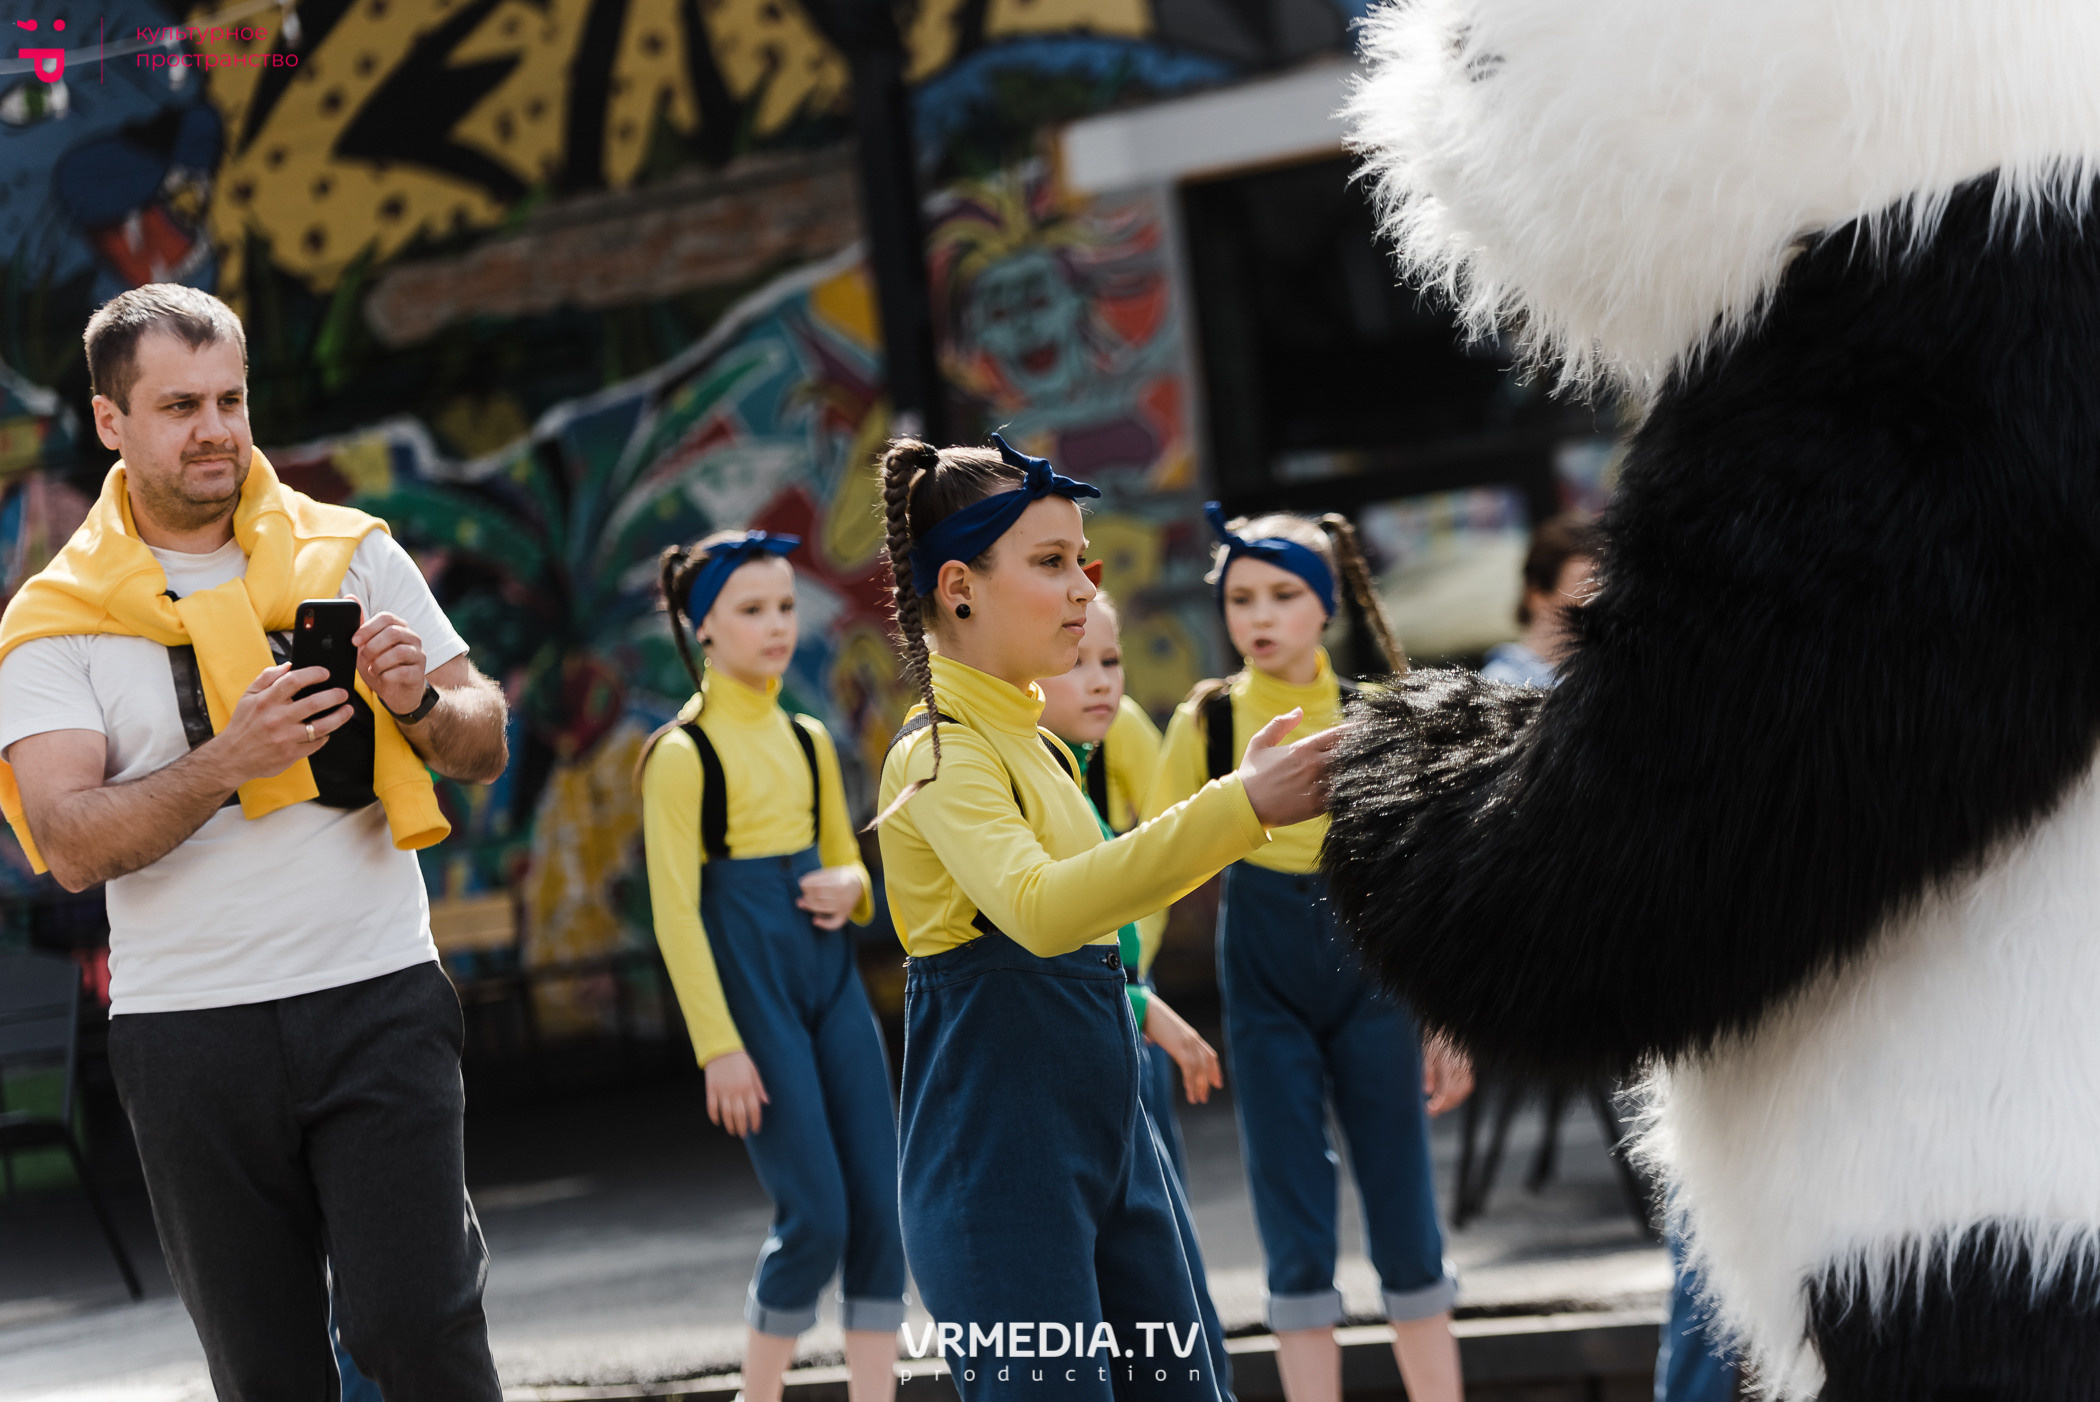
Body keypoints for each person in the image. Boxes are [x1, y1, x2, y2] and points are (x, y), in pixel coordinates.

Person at [0, 284, 510, 1398]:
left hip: (376, 991)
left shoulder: (352, 553)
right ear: (109, 422)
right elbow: (69, 839)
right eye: (180, 404)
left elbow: (484, 741)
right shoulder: (56, 616)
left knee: (419, 1329)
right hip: (189, 1036)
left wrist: (421, 706)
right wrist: (230, 758)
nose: (217, 428)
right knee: (266, 1372)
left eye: (231, 398)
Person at [872, 434, 1335, 1401]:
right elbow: (1044, 913)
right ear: (958, 587)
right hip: (998, 1178)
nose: (1086, 587)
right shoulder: (941, 758)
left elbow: (1096, 925)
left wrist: (1142, 999)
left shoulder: (1033, 742)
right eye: (1050, 563)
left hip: (1112, 1144)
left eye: (1082, 559)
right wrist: (1239, 806)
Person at [1143, 505, 1469, 1402]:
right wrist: (1130, 988)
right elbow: (1154, 867)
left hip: (1373, 977)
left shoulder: (1379, 712)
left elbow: (1429, 878)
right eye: (1240, 596)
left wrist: (1449, 1015)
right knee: (1290, 1213)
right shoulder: (1205, 723)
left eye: (1283, 594)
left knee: (1404, 1203)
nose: (1258, 615)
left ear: (1324, 606)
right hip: (1262, 980)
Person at [639, 529, 904, 1401]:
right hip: (755, 1004)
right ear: (701, 626)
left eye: (786, 606)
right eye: (752, 610)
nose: (777, 625)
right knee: (817, 1218)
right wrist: (719, 1047)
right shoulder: (682, 758)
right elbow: (675, 914)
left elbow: (855, 871)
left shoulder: (809, 739)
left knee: (880, 1213)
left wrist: (851, 886)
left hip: (832, 988)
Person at [1476, 513, 1735, 1401]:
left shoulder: (1636, 685)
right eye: (1580, 597)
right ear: (1536, 596)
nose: (1596, 614)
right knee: (1710, 1207)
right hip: (1604, 967)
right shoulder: (1511, 692)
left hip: (1684, 959)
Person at [1034, 588, 1221, 1180]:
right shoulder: (997, 767)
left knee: (1156, 1167)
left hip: (1126, 978)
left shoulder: (1123, 728)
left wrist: (1134, 984)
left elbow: (1170, 848)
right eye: (1073, 661)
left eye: (1110, 661)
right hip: (1053, 999)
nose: (1099, 682)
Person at [1479, 514, 1597, 686]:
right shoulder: (1500, 684)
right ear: (1537, 594)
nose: (1598, 606)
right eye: (1585, 594)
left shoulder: (1606, 678)